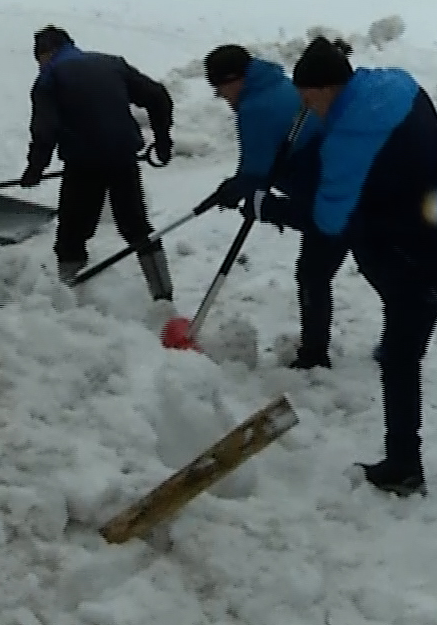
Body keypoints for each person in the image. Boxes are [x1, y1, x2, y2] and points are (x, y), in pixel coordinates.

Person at [261, 36, 437, 495]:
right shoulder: (402, 87)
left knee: (400, 358)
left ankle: (403, 465)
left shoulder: (350, 139)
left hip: (423, 263)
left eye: (309, 100)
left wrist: (270, 209)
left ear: (324, 89)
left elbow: (329, 221)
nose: (310, 110)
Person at [203, 44, 334, 369]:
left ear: (235, 79)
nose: (222, 98)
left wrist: (234, 193)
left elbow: (254, 174)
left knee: (313, 273)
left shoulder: (255, 108)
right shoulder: (278, 84)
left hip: (323, 190)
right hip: (333, 174)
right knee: (364, 262)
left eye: (220, 88)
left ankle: (315, 357)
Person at [21, 25, 175, 301]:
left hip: (83, 165)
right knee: (137, 228)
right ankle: (163, 295)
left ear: (46, 53)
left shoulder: (49, 78)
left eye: (38, 59)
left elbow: (45, 130)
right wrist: (163, 140)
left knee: (72, 235)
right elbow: (158, 96)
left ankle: (72, 297)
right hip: (122, 158)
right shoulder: (111, 64)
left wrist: (35, 168)